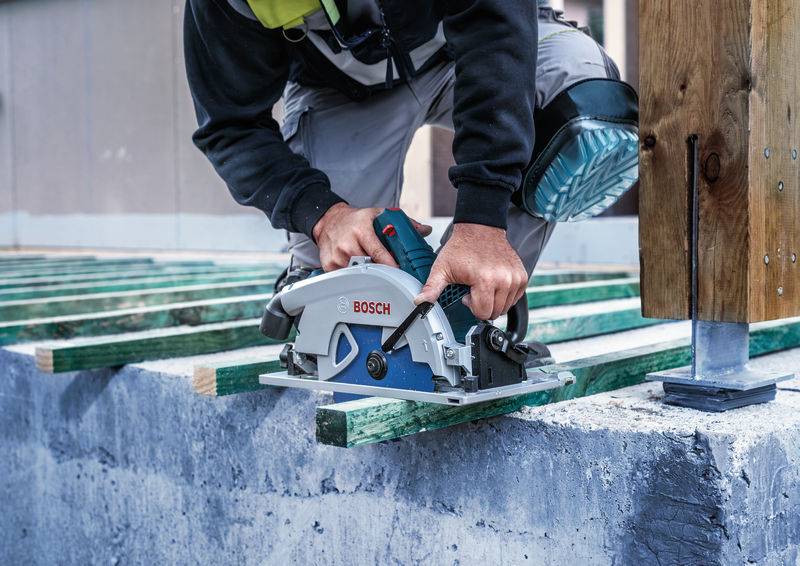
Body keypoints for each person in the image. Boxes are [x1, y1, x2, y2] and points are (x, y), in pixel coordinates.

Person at [184, 0, 638, 324]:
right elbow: (229, 124)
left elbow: (495, 24)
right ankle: (378, 310)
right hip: (343, 91)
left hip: (473, 47)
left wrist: (482, 219)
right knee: (337, 283)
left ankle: (467, 318)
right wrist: (324, 216)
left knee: (579, 113)